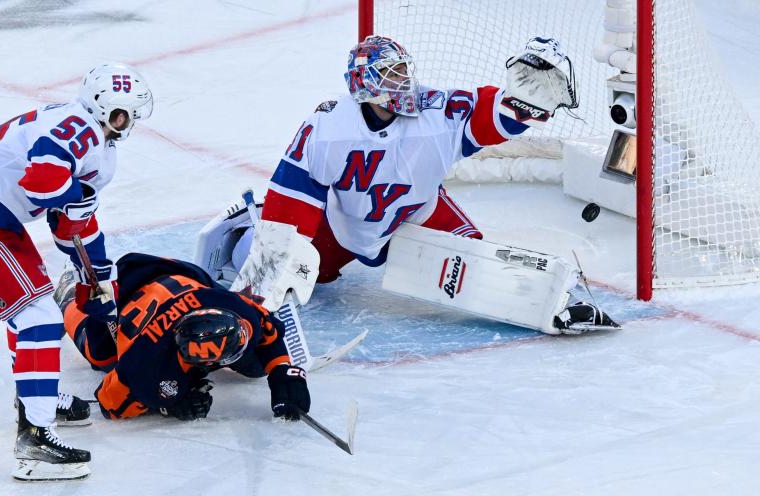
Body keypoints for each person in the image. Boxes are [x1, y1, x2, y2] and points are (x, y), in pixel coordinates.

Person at [199, 35, 616, 334]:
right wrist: (265, 280)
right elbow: (291, 206)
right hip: (344, 226)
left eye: (404, 71)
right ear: (366, 87)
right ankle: (238, 234)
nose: (405, 82)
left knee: (472, 259)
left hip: (417, 213)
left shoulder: (436, 114)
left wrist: (525, 101)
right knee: (305, 271)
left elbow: (492, 119)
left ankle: (560, 300)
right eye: (392, 75)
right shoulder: (328, 128)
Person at [0, 63, 153, 481]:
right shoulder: (77, 128)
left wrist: (97, 275)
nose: (126, 121)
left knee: (33, 309)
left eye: (130, 113)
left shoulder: (93, 140)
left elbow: (70, 225)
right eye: (119, 113)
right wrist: (73, 197)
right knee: (39, 317)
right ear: (99, 108)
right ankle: (36, 438)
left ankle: (37, 396)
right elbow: (42, 186)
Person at [55, 252, 310, 422]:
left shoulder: (240, 310)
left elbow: (269, 332)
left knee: (256, 367)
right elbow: (109, 403)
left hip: (176, 273)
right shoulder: (146, 360)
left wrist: (281, 371)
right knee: (102, 354)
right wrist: (167, 403)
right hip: (126, 292)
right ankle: (68, 297)